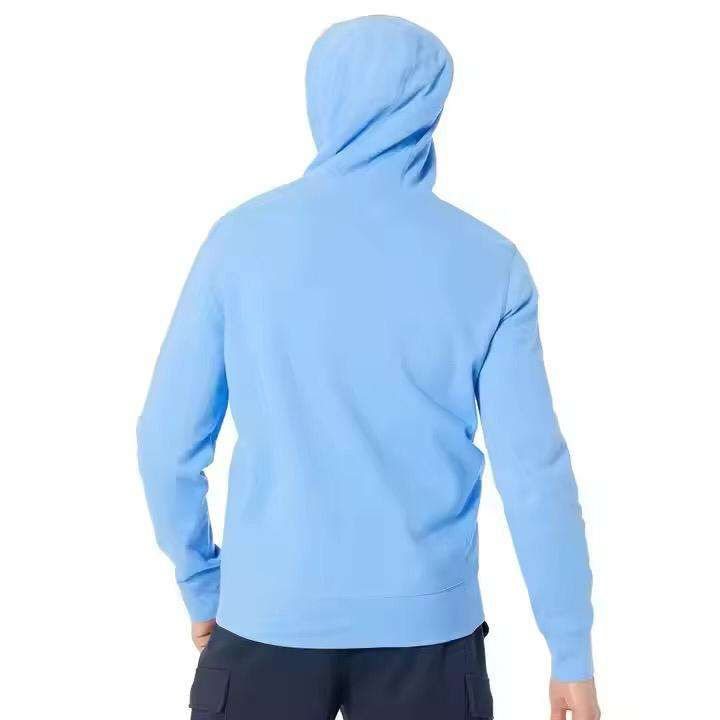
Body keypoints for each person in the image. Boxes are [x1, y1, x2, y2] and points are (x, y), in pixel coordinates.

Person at [138, 15, 600, 720]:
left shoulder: (238, 244)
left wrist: (203, 584)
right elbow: (535, 474)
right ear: (433, 107)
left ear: (318, 99)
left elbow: (166, 444)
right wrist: (570, 650)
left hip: (264, 626)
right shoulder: (490, 263)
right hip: (430, 638)